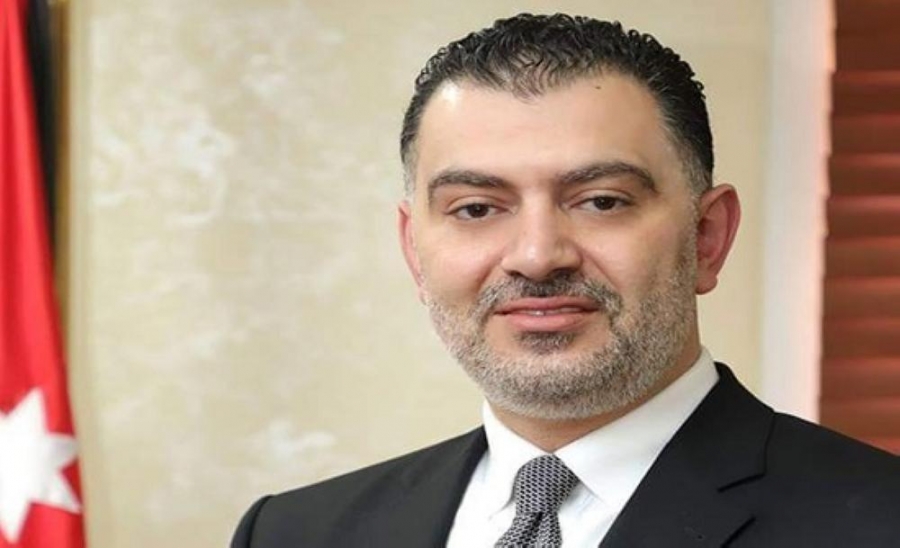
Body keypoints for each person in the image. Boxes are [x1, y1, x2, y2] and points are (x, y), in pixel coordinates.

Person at [231, 13, 900, 548]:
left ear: (707, 237)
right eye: (476, 209)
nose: (536, 255)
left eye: (601, 201)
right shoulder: (295, 533)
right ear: (415, 251)